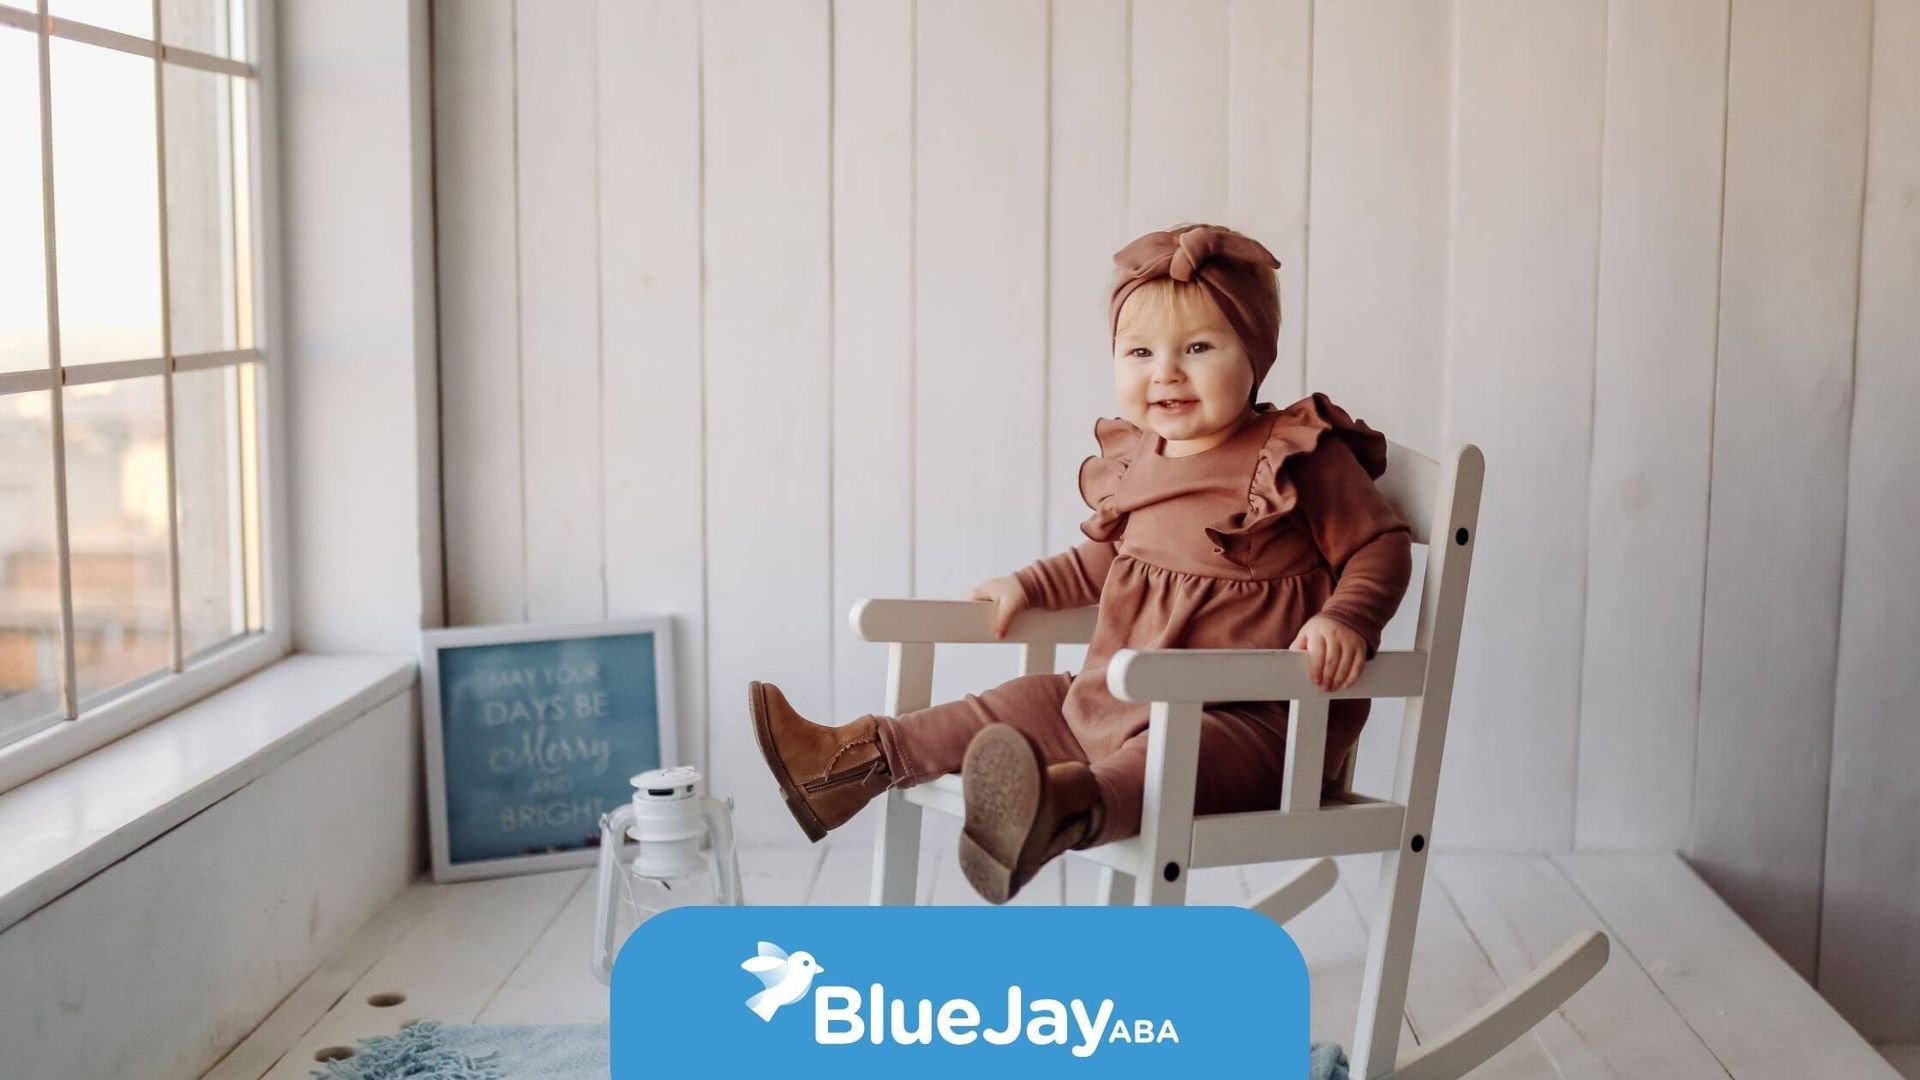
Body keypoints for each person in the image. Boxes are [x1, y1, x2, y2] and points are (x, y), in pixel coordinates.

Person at [748, 222, 1413, 903]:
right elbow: (1102, 559)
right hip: (1112, 697)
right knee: (1011, 706)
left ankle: (1056, 812)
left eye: (1199, 347)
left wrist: (1347, 619)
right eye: (1140, 352)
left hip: (1248, 724)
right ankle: (844, 766)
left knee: (1158, 759)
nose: (1166, 371)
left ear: (1256, 355)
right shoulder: (1138, 461)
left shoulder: (1298, 455)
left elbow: (1378, 546)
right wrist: (1028, 585)